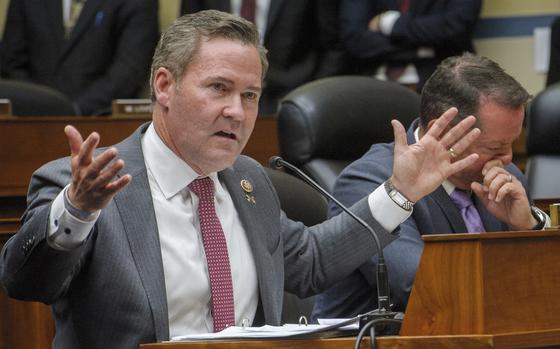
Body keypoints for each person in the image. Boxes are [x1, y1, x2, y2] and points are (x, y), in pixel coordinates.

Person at [0, 11, 481, 349]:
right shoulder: (85, 183)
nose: (237, 111)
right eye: (219, 88)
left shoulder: (246, 179)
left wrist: (400, 194)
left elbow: (308, 263)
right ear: (164, 86)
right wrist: (78, 211)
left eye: (250, 95)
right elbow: (26, 283)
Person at [312, 53, 551, 321]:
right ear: (444, 130)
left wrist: (528, 228)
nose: (507, 159)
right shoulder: (370, 182)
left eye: (513, 144)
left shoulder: (507, 179)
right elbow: (420, 287)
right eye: (494, 148)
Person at [181, 0, 348, 115]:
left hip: (290, 97)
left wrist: (310, 98)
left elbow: (332, 45)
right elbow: (187, 37)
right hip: (218, 95)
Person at [0, 0, 159, 116]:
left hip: (99, 123)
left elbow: (128, 72)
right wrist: (39, 105)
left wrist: (73, 111)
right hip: (27, 124)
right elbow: (12, 63)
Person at [340, 0, 481, 90]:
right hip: (372, 82)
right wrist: (421, 49)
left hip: (439, 82)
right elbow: (355, 39)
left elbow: (455, 27)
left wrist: (388, 22)